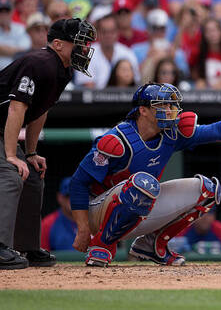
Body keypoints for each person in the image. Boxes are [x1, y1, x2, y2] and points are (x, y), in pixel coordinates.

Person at [68, 83, 221, 267]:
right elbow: (78, 183)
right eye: (162, 106)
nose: (170, 111)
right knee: (144, 184)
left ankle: (152, 245)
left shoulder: (171, 133)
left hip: (139, 205)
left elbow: (218, 130)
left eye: (171, 105)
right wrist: (83, 228)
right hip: (98, 211)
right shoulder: (117, 140)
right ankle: (103, 245)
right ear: (143, 110)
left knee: (208, 189)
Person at [0, 17, 96, 269]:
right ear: (58, 44)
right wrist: (12, 155)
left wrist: (30, 153)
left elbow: (39, 110)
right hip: (3, 127)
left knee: (31, 175)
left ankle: (26, 247)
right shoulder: (39, 62)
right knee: (11, 173)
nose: (85, 49)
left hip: (4, 130)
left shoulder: (61, 69)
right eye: (79, 43)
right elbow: (16, 108)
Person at [74, 14, 140, 89]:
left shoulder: (128, 53)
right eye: (104, 32)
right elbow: (88, 91)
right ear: (97, 33)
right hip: (97, 99)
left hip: (124, 98)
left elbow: (134, 84)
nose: (108, 35)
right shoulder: (86, 55)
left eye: (112, 31)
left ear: (118, 32)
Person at [133, 9, 189, 83]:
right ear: (148, 29)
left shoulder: (175, 51)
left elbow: (185, 76)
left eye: (162, 28)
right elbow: (133, 78)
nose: (159, 32)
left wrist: (172, 60)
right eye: (155, 28)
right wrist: (147, 59)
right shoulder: (136, 50)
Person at [40, 177, 78, 251]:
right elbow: (41, 257)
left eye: (77, 195)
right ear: (59, 197)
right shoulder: (48, 223)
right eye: (68, 196)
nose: (73, 199)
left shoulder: (95, 221)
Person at [0, 0, 31, 70]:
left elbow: (25, 50)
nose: (4, 15)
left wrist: (2, 49)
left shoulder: (20, 28)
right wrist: (15, 50)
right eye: (1, 11)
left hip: (16, 74)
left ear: (12, 12)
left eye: (7, 11)